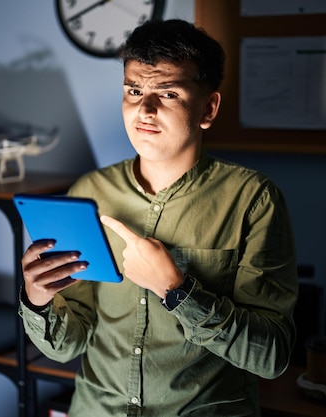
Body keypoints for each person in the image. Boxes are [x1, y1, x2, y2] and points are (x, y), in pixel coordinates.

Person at [19, 19, 297, 417]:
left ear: (208, 108)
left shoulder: (254, 200)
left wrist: (177, 291)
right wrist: (39, 300)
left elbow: (271, 356)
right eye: (134, 90)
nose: (144, 109)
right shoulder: (88, 193)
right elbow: (68, 344)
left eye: (167, 93)